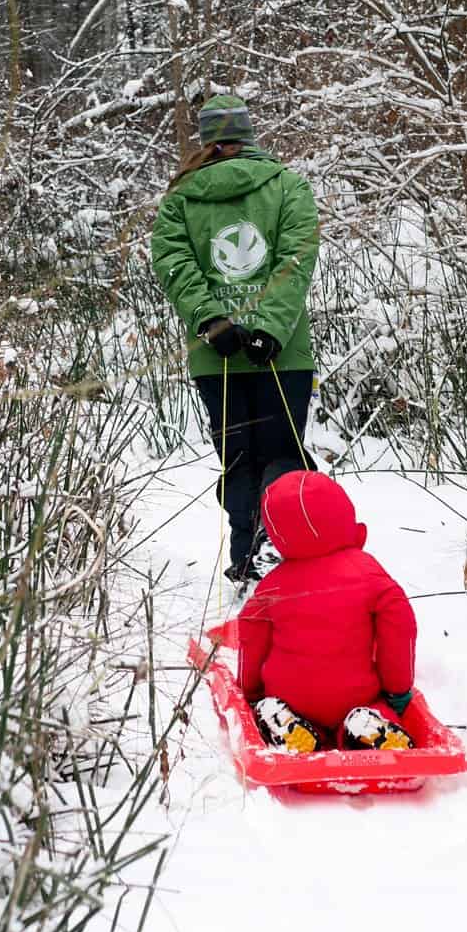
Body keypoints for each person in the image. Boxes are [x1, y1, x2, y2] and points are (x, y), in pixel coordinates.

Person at [149, 94, 321, 584]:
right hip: (283, 355)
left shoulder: (178, 201)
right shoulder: (290, 187)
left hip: (214, 358)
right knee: (284, 451)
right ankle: (283, 555)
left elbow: (176, 267)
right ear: (248, 135)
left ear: (206, 141)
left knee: (238, 457)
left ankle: (247, 559)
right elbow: (294, 263)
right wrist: (268, 329)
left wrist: (210, 320)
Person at [237, 470, 418, 752]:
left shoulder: (272, 586)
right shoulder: (367, 571)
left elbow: (250, 631)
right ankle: (364, 724)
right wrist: (398, 689)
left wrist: (250, 690)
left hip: (291, 694)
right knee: (373, 708)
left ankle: (281, 719)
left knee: (274, 705)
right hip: (356, 693)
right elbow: (399, 623)